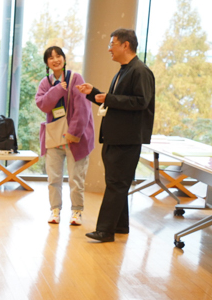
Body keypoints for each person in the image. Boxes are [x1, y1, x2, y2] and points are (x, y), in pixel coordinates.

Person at [78, 28, 155, 243]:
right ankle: (120, 225)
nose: (109, 49)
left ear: (125, 45)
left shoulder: (140, 71)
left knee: (116, 183)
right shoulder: (125, 70)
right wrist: (94, 93)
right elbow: (115, 101)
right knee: (117, 182)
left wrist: (108, 98)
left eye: (112, 44)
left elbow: (141, 101)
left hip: (127, 138)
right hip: (117, 136)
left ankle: (105, 231)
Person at [35, 46, 95, 226]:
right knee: (53, 178)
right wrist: (57, 90)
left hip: (74, 138)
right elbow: (43, 105)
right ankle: (55, 210)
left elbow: (83, 109)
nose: (55, 60)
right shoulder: (45, 83)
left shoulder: (76, 78)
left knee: (76, 178)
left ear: (64, 58)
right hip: (54, 137)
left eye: (58, 56)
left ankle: (77, 211)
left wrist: (73, 133)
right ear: (47, 63)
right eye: (51, 57)